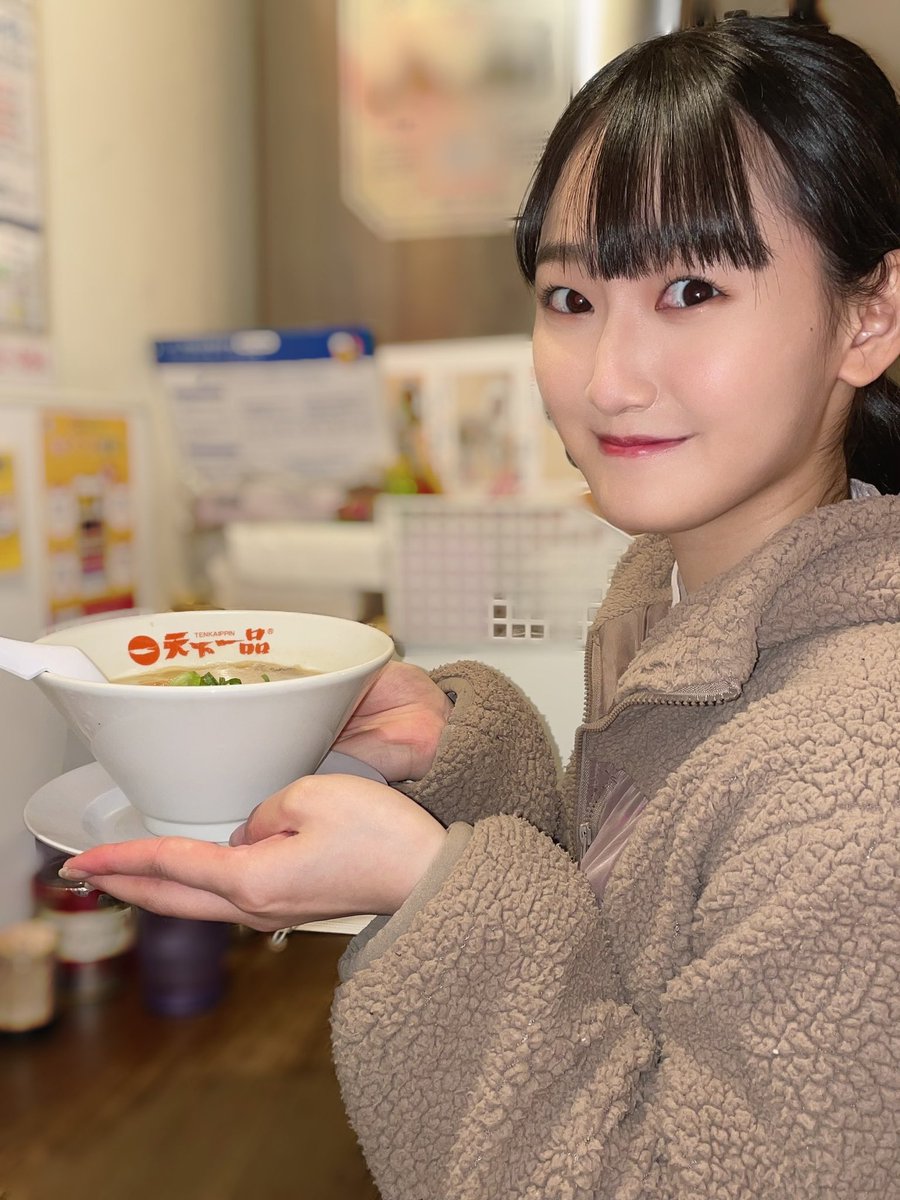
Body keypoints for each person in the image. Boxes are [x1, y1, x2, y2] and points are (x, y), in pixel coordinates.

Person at [59, 13, 900, 1198]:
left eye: (692, 288)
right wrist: (457, 761)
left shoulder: (862, 771)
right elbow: (645, 920)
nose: (609, 379)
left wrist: (434, 900)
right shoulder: (675, 592)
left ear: (870, 316)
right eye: (570, 297)